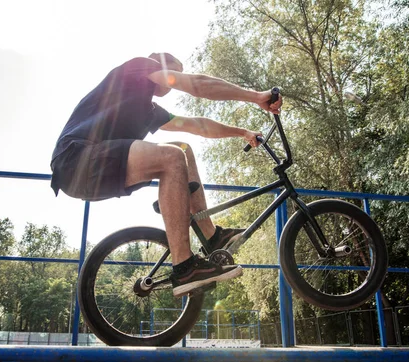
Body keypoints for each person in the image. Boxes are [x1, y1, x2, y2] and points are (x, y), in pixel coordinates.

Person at [50, 52, 282, 297]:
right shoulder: (139, 67)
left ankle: (211, 236)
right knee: (171, 157)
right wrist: (256, 97)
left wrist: (243, 132)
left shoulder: (149, 110)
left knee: (183, 150)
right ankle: (185, 267)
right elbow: (197, 85)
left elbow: (197, 125)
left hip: (94, 169)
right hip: (76, 158)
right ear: (160, 65)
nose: (174, 82)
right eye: (175, 72)